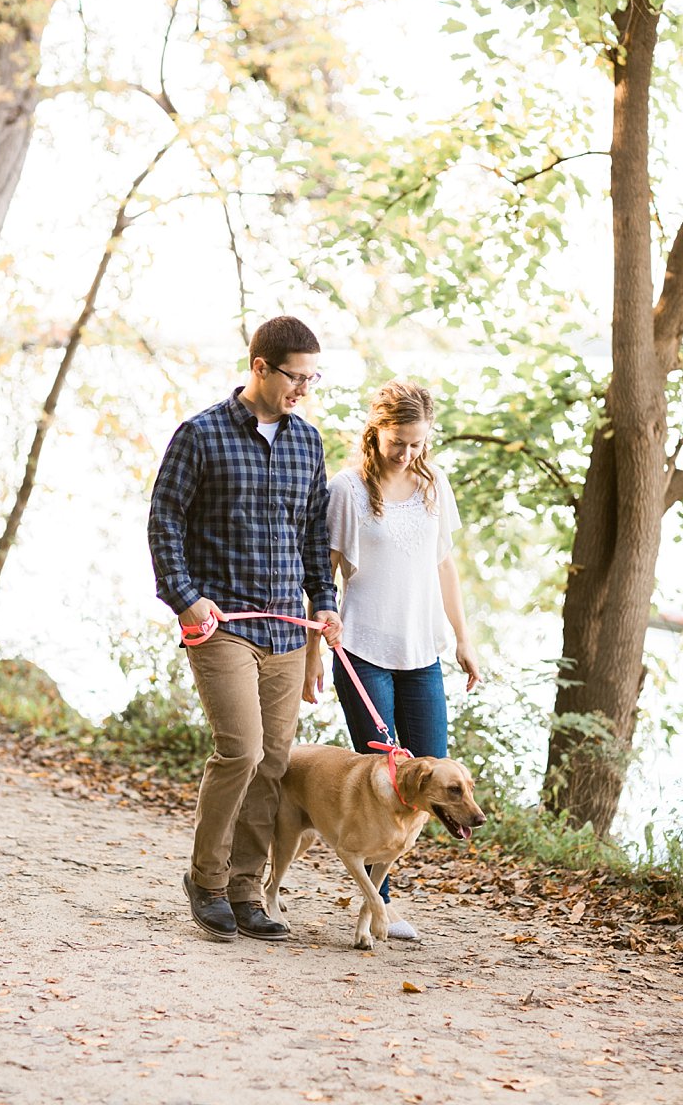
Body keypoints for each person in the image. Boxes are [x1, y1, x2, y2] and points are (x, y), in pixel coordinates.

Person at [148, 316, 342, 943]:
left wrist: (325, 602)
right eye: (297, 377)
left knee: (276, 762)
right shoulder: (199, 436)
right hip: (221, 624)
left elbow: (314, 533)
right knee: (242, 750)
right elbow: (164, 523)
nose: (304, 391)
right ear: (260, 366)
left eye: (313, 379)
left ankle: (245, 889)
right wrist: (185, 599)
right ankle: (205, 881)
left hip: (287, 628)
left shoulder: (307, 443)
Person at [303, 380, 480, 940]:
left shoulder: (433, 486)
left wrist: (463, 638)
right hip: (361, 650)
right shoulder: (346, 489)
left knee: (434, 777)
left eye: (417, 443)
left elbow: (445, 568)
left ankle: (378, 905)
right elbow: (323, 578)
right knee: (381, 781)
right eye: (398, 441)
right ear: (376, 430)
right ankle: (379, 908)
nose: (408, 453)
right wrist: (313, 654)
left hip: (421, 652)